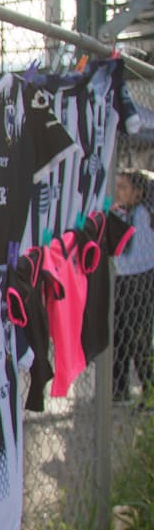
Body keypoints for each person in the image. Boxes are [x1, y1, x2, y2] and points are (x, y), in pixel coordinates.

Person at [113, 168, 154, 406]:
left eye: (123, 187)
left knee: (139, 337)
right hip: (121, 278)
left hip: (142, 279)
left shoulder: (145, 213)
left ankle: (149, 392)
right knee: (119, 334)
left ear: (138, 193)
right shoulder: (118, 213)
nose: (118, 192)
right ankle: (119, 390)